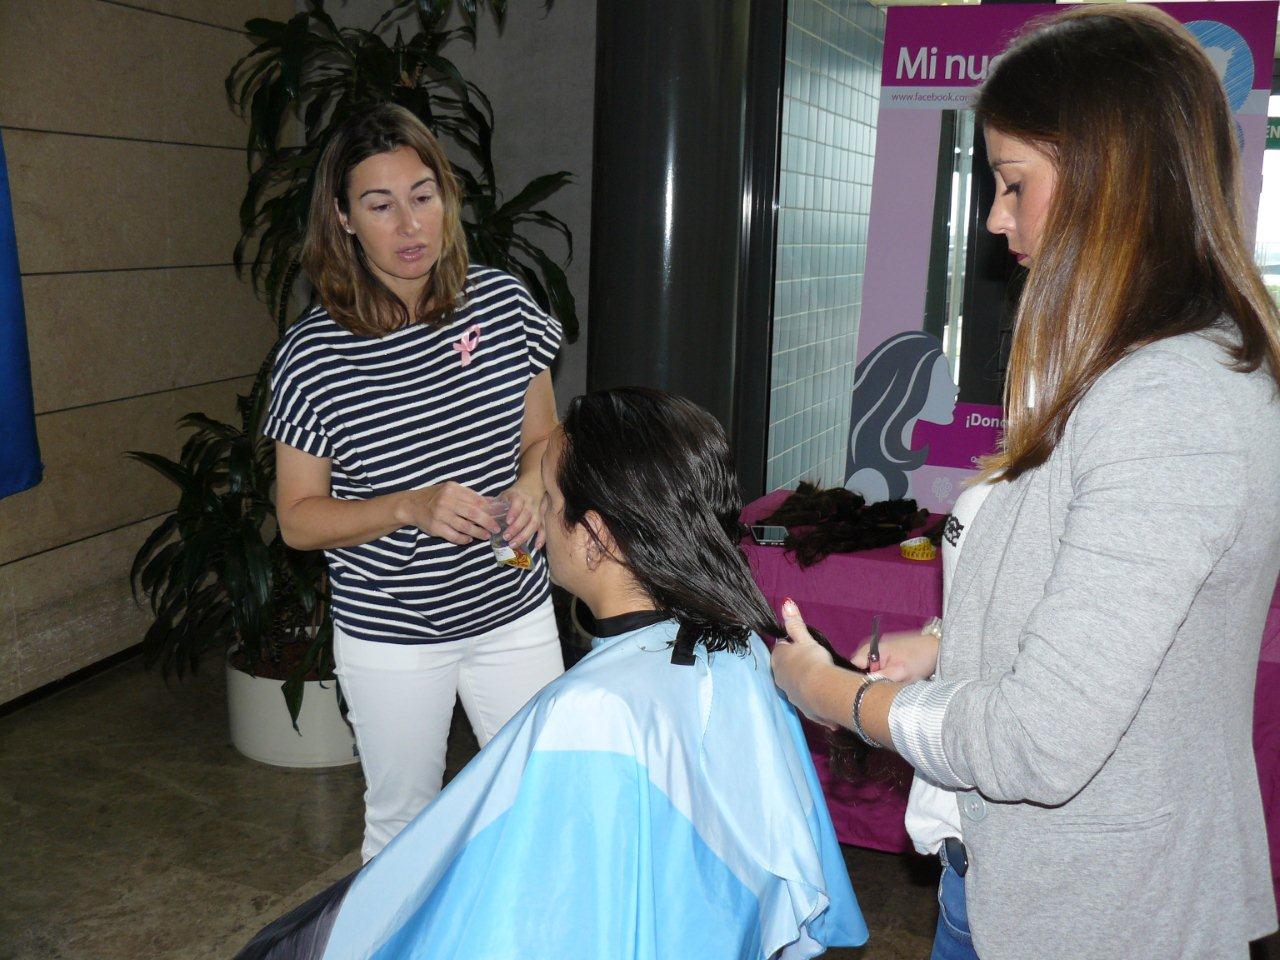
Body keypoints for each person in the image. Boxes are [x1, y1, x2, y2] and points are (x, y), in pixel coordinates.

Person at [773, 7, 1280, 959]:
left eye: (1014, 184)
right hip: (1030, 882)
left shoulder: (1171, 403)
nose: (997, 217)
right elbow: (1098, 619)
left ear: (1110, 180)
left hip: (1101, 907)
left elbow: (1040, 743)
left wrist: (837, 698)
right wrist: (947, 646)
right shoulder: (1140, 370)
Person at [236, 388, 867, 960]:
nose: (534, 519)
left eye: (549, 499)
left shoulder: (592, 711)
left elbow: (524, 923)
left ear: (594, 536)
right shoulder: (746, 647)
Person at [267, 104, 564, 862]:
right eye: (380, 204)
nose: (409, 225)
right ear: (343, 219)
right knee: (404, 829)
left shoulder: (502, 303)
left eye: (423, 196)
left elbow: (546, 437)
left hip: (513, 612)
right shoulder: (313, 354)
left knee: (540, 807)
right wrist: (408, 505)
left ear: (447, 200)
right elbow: (297, 519)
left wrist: (533, 487)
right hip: (392, 634)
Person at [844, 330, 957, 503]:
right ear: (910, 389)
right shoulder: (873, 480)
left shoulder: (891, 467)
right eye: (944, 379)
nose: (955, 389)